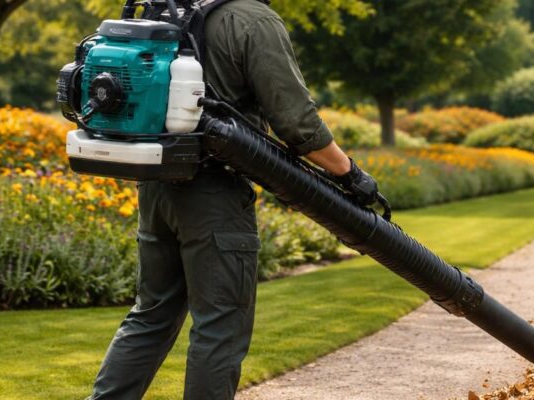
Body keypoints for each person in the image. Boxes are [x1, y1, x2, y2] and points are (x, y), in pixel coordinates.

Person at [88, 0, 378, 398]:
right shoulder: (252, 19)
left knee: (150, 316)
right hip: (215, 192)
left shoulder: (173, 9)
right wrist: (351, 174)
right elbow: (297, 124)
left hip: (157, 184)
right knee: (220, 326)